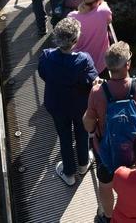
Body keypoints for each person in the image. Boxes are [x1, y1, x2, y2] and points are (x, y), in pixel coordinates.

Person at [84, 41, 136, 221]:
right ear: (127, 64)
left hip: (106, 150)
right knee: (135, 182)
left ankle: (108, 216)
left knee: (106, 185)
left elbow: (88, 124)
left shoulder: (97, 92)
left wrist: (97, 90)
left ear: (108, 66)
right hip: (135, 149)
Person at [37, 17, 97, 187]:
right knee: (82, 132)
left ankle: (69, 173)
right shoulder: (84, 60)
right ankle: (83, 164)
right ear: (75, 40)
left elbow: (43, 74)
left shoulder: (46, 56)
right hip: (79, 106)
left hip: (56, 104)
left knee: (64, 136)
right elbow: (91, 82)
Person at [66, 0, 114, 75]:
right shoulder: (103, 11)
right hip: (100, 64)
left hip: (79, 65)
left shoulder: (71, 17)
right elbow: (109, 20)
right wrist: (102, 3)